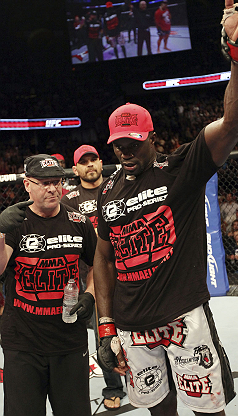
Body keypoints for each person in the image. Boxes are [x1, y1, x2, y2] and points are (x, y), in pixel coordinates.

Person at [93, 0, 238, 416]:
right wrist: (106, 322)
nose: (125, 151)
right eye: (119, 145)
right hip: (133, 329)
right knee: (158, 411)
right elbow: (103, 254)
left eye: (133, 143)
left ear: (152, 137)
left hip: (184, 319)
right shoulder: (109, 191)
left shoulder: (180, 169)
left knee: (209, 411)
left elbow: (234, 121)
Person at [0, 154, 97, 416]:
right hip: (23, 341)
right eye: (44, 183)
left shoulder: (79, 222)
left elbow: (101, 265)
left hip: (69, 338)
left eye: (56, 182)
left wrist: (90, 294)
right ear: (27, 185)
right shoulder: (14, 222)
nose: (52, 188)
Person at [61, 145, 126, 410]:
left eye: (93, 160)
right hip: (94, 276)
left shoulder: (116, 187)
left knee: (137, 324)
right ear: (75, 169)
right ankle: (113, 387)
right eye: (83, 162)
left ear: (101, 162)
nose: (90, 165)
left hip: (128, 270)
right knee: (104, 333)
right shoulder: (69, 199)